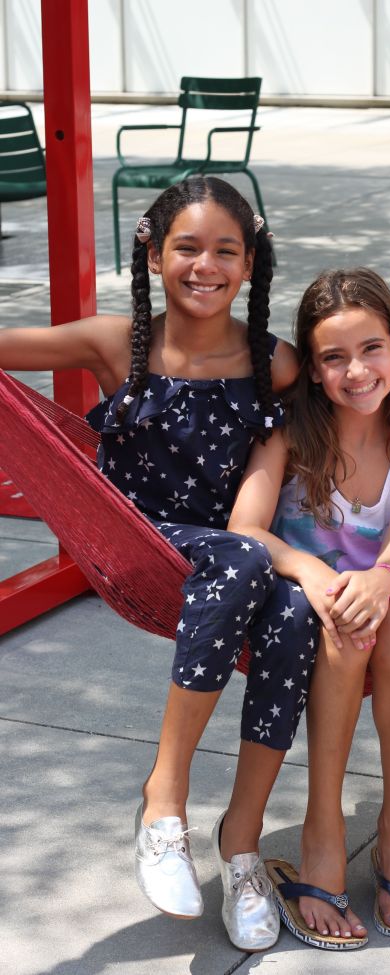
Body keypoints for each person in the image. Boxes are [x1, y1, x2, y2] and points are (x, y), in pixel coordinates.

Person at [0, 176, 319, 952]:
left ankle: (240, 844)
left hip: (229, 559)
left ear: (250, 263)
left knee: (296, 609)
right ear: (151, 249)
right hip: (137, 546)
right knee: (247, 557)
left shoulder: (274, 364)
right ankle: (165, 797)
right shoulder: (114, 344)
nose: (204, 265)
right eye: (186, 247)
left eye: (224, 250)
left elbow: (356, 406)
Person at [228, 267, 390, 950]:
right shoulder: (292, 433)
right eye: (333, 357)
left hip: (371, 599)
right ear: (310, 369)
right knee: (346, 624)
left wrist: (382, 578)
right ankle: (323, 832)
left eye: (371, 348)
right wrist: (308, 567)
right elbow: (246, 528)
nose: (356, 370)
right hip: (293, 610)